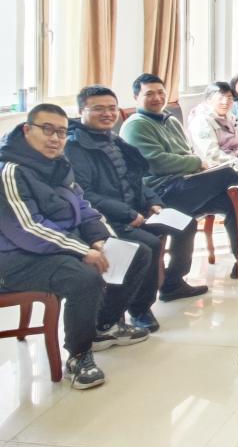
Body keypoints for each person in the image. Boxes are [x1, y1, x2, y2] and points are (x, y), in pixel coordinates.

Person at [0, 103, 151, 390]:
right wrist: (82, 250)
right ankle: (79, 355)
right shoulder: (10, 172)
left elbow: (84, 206)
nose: (55, 138)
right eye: (47, 130)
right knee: (84, 277)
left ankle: (103, 325)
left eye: (61, 132)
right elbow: (27, 228)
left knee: (135, 253)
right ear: (27, 130)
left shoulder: (59, 164)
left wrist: (99, 238)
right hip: (15, 260)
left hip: (57, 247)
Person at [66, 85, 202, 330]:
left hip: (136, 211)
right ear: (81, 111)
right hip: (105, 220)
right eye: (98, 109)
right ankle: (140, 309)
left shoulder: (113, 139)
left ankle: (173, 283)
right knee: (148, 244)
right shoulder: (74, 147)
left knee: (187, 224)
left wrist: (154, 202)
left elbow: (137, 181)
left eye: (112, 108)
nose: (108, 114)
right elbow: (85, 195)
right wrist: (128, 214)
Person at [120, 73, 238, 273]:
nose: (157, 98)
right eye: (149, 94)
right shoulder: (136, 125)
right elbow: (157, 163)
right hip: (160, 193)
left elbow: (187, 153)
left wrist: (198, 165)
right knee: (230, 175)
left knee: (235, 202)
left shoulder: (171, 120)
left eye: (161, 92)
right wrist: (197, 163)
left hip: (185, 186)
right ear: (136, 97)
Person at [187, 82, 238, 174]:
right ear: (209, 100)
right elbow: (213, 155)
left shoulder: (230, 117)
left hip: (236, 164)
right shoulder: (201, 121)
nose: (225, 102)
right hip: (216, 169)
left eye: (229, 98)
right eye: (220, 98)